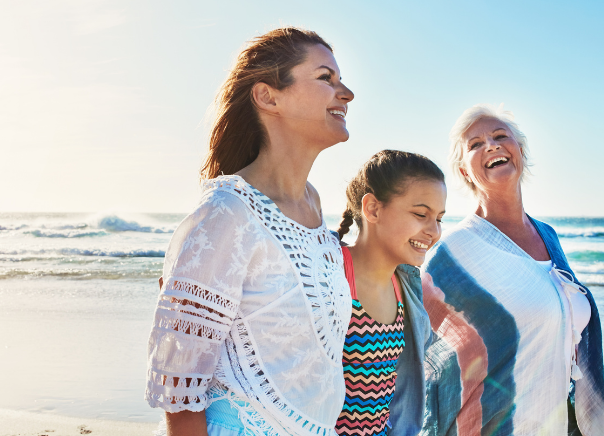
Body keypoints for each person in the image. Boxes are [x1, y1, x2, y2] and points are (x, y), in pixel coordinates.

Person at [145, 27, 355, 436]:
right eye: (325, 78)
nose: (345, 93)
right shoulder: (227, 214)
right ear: (268, 97)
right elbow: (179, 388)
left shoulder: (312, 206)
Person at [419, 104, 604, 436]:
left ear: (520, 151)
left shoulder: (548, 235)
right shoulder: (454, 251)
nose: (491, 145)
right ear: (464, 171)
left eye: (500, 136)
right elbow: (423, 348)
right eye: (475, 144)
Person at [334, 150, 446, 436]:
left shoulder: (405, 285)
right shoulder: (331, 276)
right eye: (421, 214)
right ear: (372, 209)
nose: (433, 231)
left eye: (440, 218)